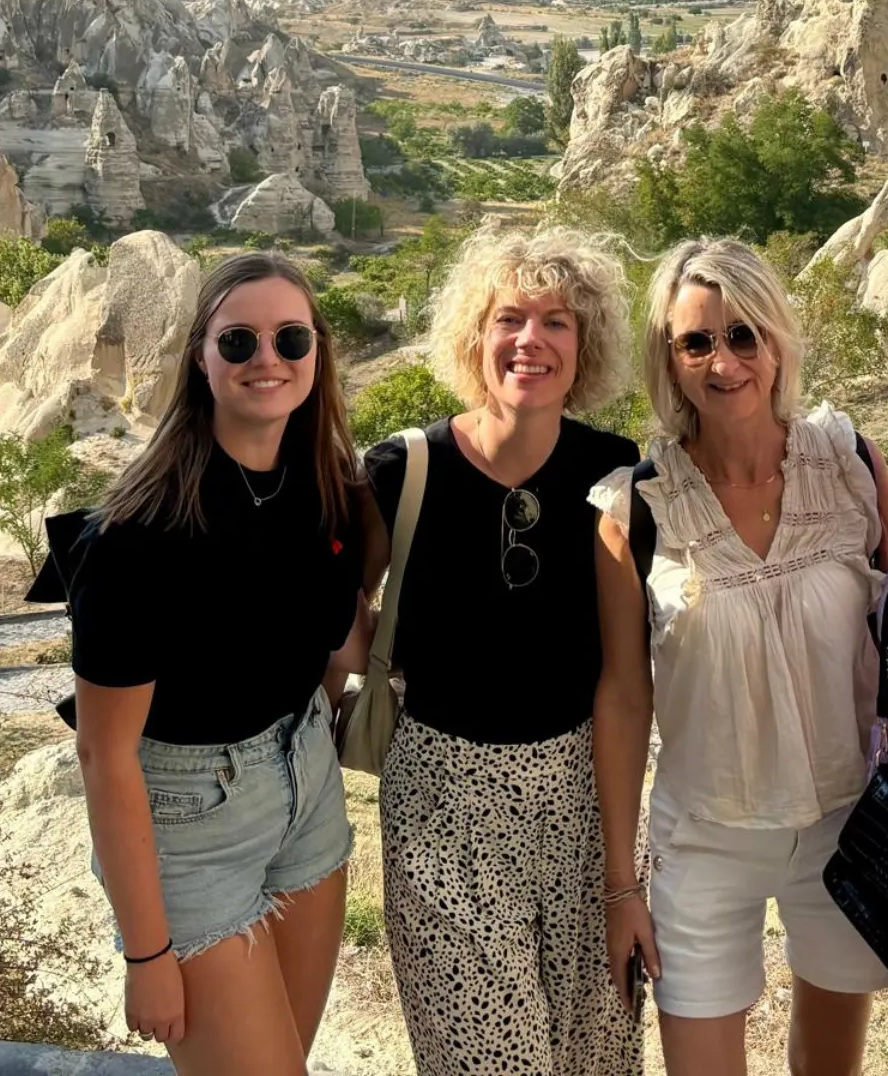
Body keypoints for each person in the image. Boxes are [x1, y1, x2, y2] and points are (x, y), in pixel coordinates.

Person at [591, 236, 888, 1076]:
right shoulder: (636, 508)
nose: (724, 362)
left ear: (776, 341)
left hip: (844, 823)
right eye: (697, 342)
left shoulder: (851, 465)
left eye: (743, 335)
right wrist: (623, 886)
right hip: (703, 838)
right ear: (670, 358)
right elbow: (623, 699)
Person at [68, 251, 365, 1075]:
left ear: (317, 353)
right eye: (238, 342)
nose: (267, 360)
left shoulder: (325, 484)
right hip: (187, 819)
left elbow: (342, 642)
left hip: (305, 788)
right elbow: (104, 753)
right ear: (200, 357)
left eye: (290, 339)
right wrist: (146, 953)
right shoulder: (138, 535)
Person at [359, 223, 642, 1076]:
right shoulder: (402, 471)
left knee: (596, 1061)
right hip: (442, 809)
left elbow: (627, 683)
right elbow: (328, 621)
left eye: (557, 321)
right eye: (509, 318)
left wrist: (625, 884)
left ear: (584, 345)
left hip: (583, 806)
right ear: (474, 337)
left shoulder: (615, 474)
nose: (531, 340)